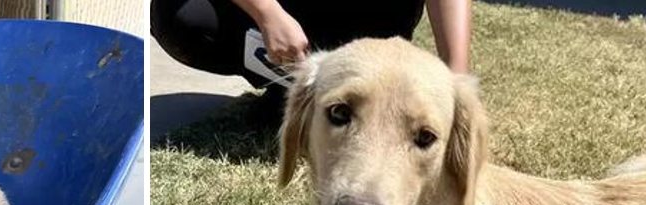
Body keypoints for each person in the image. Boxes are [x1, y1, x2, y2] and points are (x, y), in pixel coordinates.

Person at [152, 0, 472, 91]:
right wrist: (267, 12)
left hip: (371, 19)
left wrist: (455, 77)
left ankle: (350, 83)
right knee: (179, 13)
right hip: (289, 15)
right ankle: (295, 89)